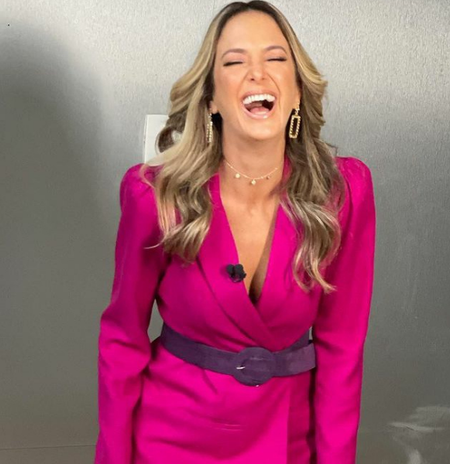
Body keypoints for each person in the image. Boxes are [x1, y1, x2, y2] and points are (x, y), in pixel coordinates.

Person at [95, 2, 376, 463]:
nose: (257, 73)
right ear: (211, 99)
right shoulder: (154, 196)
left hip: (288, 443)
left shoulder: (343, 193)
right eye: (234, 62)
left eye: (275, 58)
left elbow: (343, 352)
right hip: (170, 442)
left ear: (297, 90)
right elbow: (122, 340)